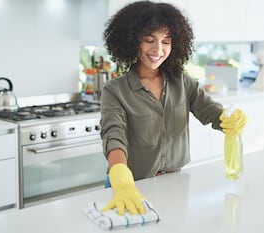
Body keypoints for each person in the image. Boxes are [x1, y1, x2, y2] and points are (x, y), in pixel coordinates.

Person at [100, 1, 247, 216]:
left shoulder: (181, 82)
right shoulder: (115, 90)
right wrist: (122, 180)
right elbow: (114, 138)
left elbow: (212, 113)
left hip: (175, 183)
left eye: (166, 41)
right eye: (149, 40)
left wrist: (230, 118)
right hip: (131, 187)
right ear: (132, 41)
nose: (158, 49)